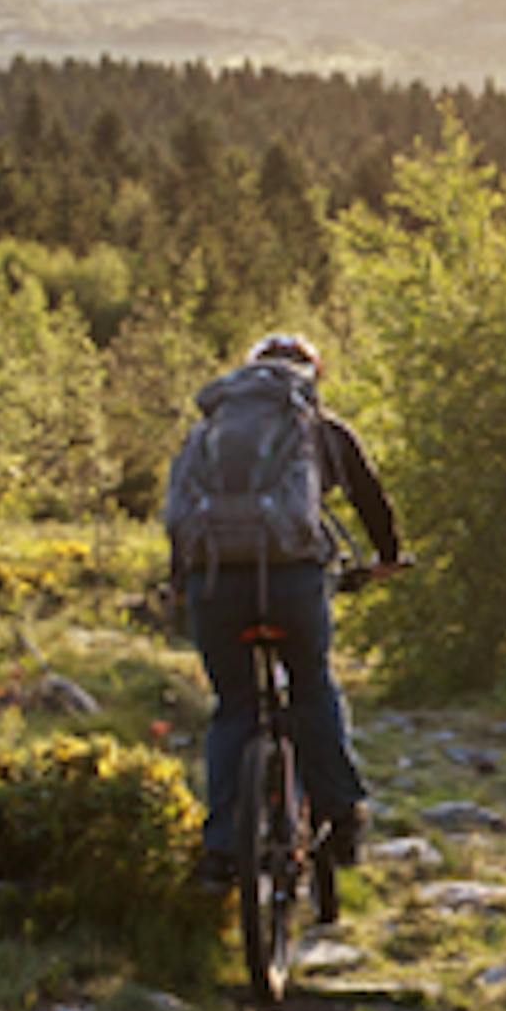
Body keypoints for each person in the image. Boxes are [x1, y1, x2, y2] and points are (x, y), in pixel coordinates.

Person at [163, 333, 401, 882]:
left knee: (234, 708)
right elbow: (369, 497)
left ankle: (222, 851)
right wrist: (386, 557)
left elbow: (183, 509)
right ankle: (341, 816)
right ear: (311, 376)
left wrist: (181, 583)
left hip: (216, 584)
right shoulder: (318, 427)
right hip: (293, 582)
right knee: (312, 684)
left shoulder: (210, 430)